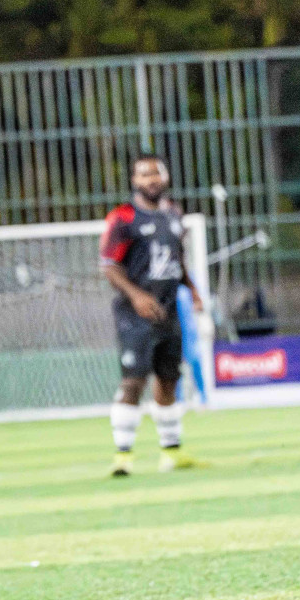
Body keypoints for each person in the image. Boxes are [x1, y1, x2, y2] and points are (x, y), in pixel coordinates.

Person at [100, 154, 204, 476]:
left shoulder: (174, 214)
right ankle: (123, 457)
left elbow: (177, 258)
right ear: (134, 180)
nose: (151, 179)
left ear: (166, 176)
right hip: (135, 314)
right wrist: (137, 295)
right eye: (144, 174)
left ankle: (171, 452)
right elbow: (109, 266)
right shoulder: (122, 218)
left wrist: (193, 289)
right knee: (133, 381)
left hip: (169, 309)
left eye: (156, 172)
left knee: (169, 378)